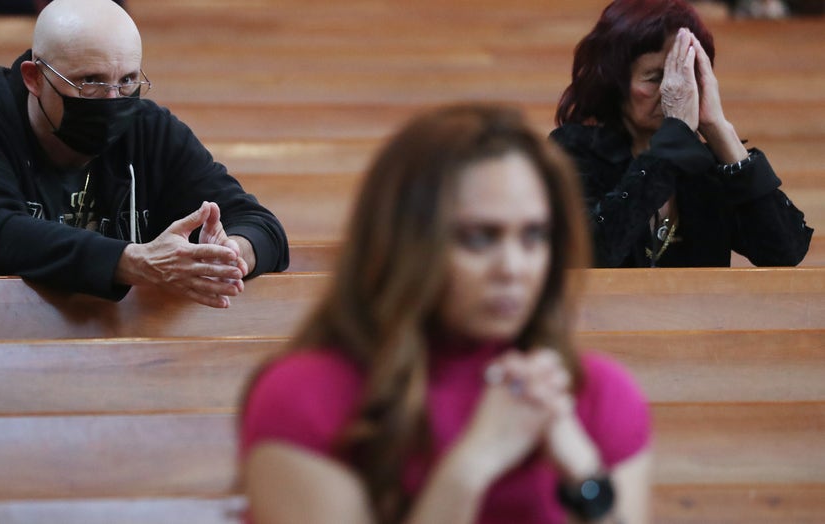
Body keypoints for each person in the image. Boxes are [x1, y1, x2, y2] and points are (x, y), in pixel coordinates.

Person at [239, 104, 652, 524]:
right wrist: (473, 464)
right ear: (406, 243)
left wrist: (583, 473)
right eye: (478, 238)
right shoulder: (306, 396)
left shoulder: (596, 391)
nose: (512, 267)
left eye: (533, 236)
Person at [0, 0, 288, 307]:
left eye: (128, 81)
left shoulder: (148, 129)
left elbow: (260, 224)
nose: (113, 100)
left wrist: (228, 256)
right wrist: (134, 262)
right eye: (90, 82)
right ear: (34, 77)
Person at [551, 0, 812, 268]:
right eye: (655, 78)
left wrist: (719, 129)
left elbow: (785, 251)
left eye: (684, 75)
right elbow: (589, 252)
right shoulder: (574, 149)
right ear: (614, 83)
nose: (671, 91)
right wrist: (674, 137)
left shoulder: (706, 167)